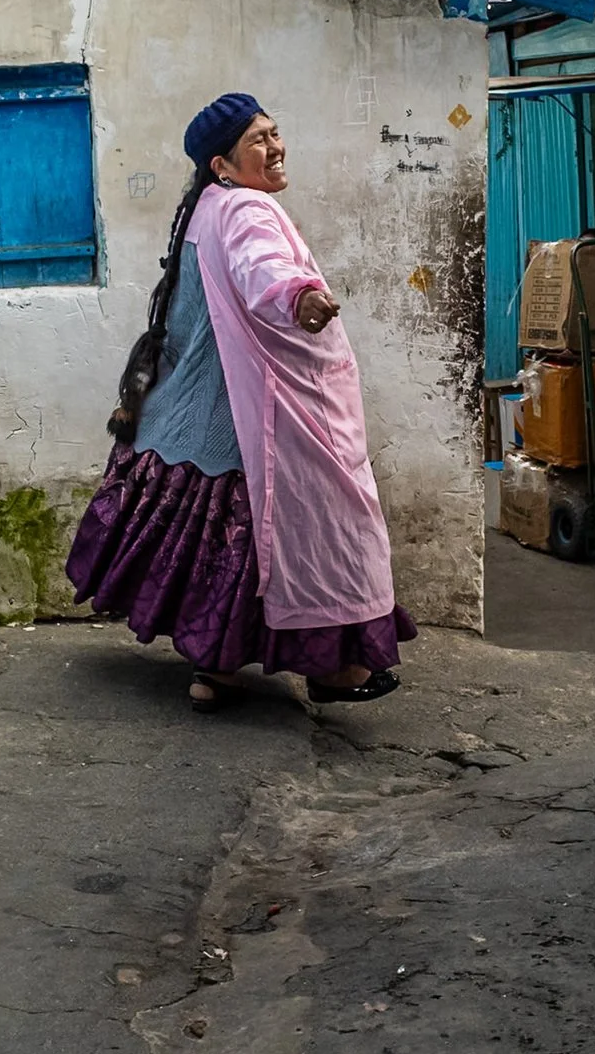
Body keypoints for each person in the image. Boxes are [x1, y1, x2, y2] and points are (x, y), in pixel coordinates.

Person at [67, 93, 414, 711]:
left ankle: (213, 672)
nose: (276, 147)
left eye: (274, 132)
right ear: (222, 164)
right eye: (259, 140)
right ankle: (332, 671)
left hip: (192, 419)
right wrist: (301, 296)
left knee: (219, 547)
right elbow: (266, 271)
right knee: (290, 538)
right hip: (247, 416)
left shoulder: (206, 209)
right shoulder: (249, 210)